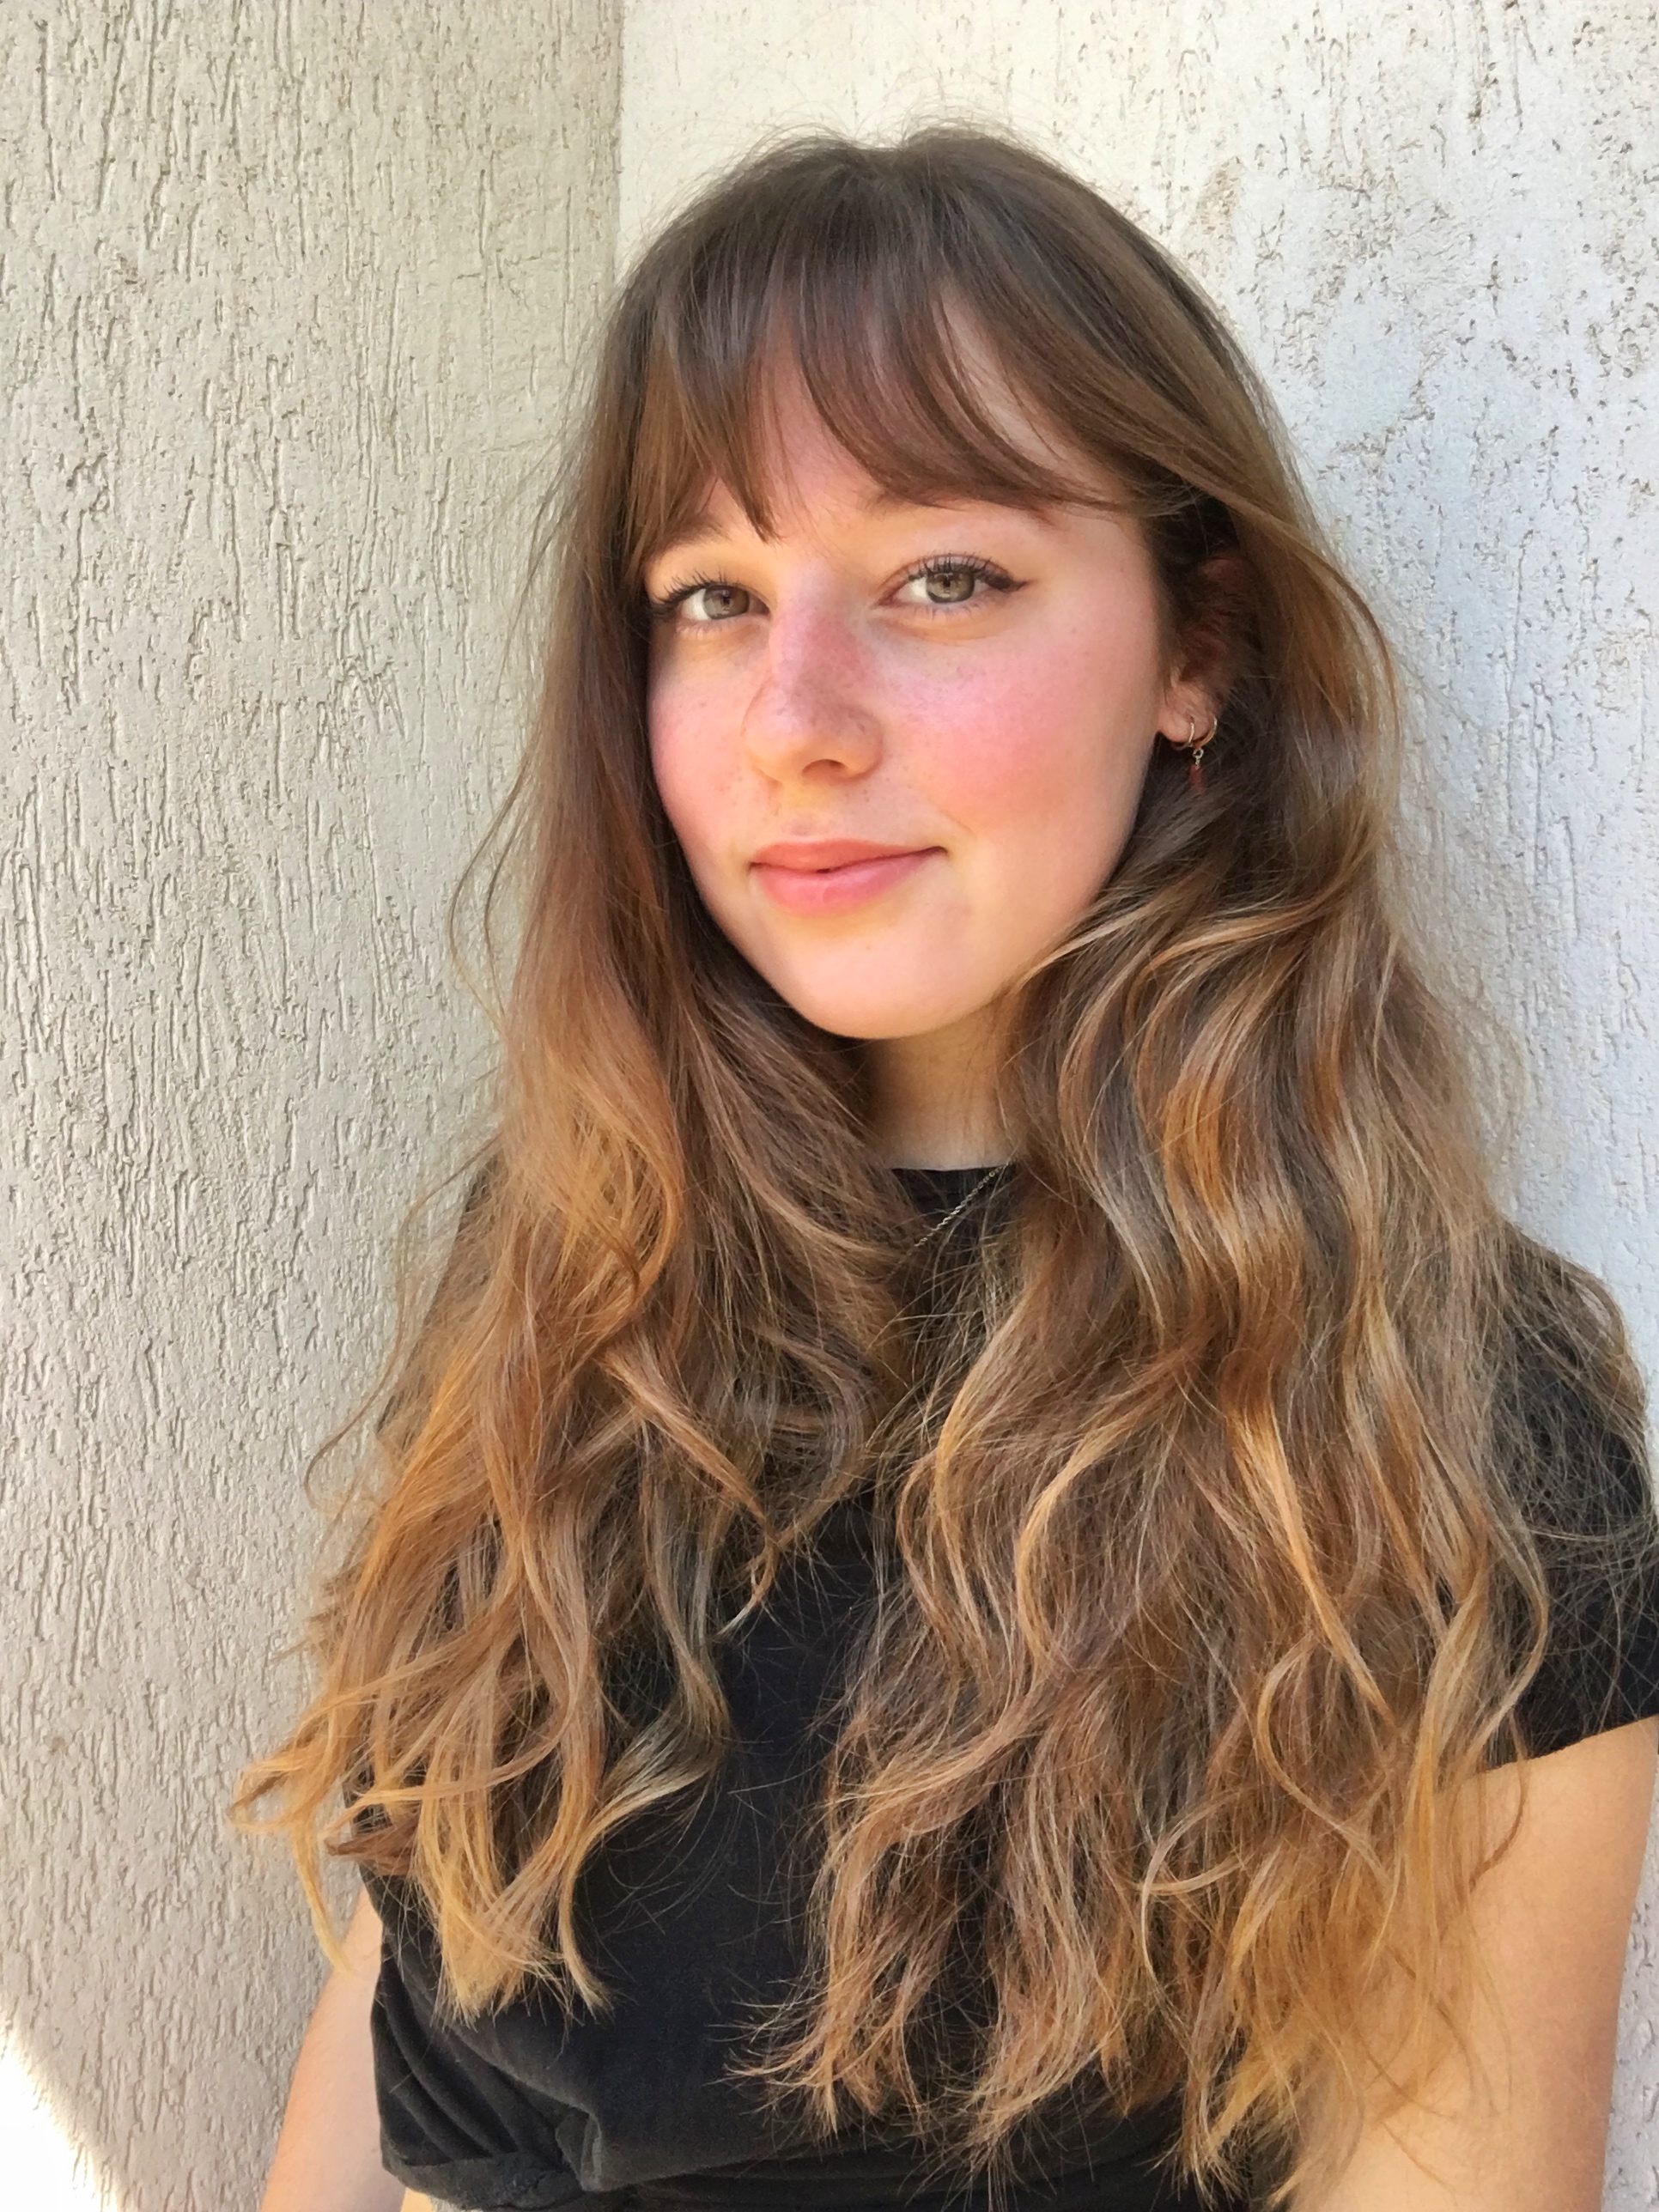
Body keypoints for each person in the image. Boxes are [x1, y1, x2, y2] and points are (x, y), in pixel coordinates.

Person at [236, 126, 1659, 2212]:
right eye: (712, 598)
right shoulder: (560, 1278)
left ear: (1200, 650)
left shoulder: (1442, 1408)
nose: (794, 719)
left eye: (946, 578)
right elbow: (399, 2020)